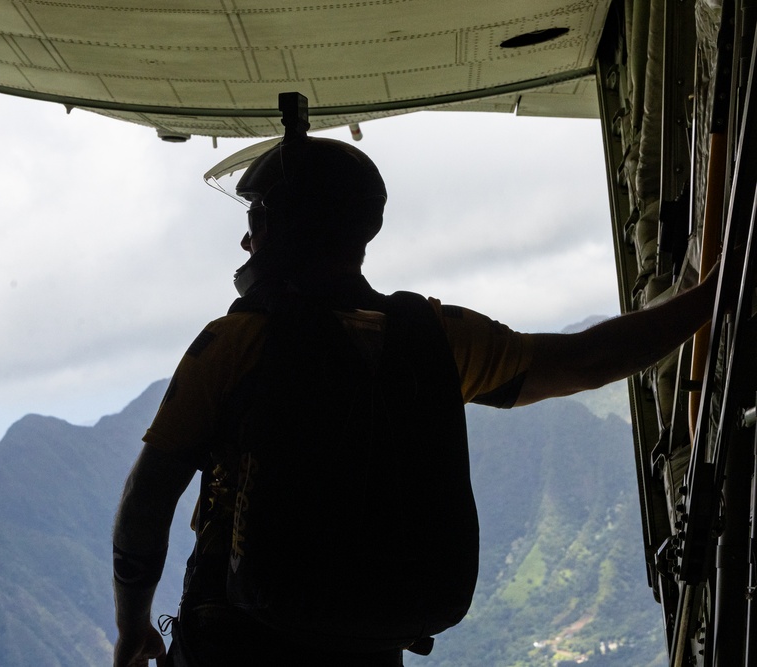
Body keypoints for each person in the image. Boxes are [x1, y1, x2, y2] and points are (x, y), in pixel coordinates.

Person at [111, 94, 720, 667]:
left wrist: (132, 625)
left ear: (284, 228)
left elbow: (146, 502)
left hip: (239, 645)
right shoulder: (436, 337)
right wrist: (710, 297)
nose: (247, 239)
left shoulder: (234, 344)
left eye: (257, 220)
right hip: (371, 650)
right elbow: (588, 360)